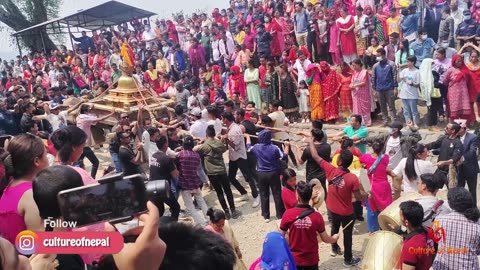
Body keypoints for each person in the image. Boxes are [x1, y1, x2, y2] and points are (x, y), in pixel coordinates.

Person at [306, 140, 366, 267]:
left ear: (338, 162)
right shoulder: (353, 178)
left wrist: (310, 142)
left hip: (332, 208)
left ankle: (334, 248)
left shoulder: (330, 170)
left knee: (334, 228)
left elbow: (315, 156)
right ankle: (348, 259)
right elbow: (358, 197)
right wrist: (367, 195)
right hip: (347, 212)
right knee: (347, 235)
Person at [280, 181, 340, 269]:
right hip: (311, 260)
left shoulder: (288, 214)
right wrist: (334, 239)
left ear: (297, 196)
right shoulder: (317, 216)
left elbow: (280, 238)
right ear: (310, 197)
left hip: (294, 259)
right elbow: (325, 238)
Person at [0, 134, 47, 244]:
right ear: (37, 161)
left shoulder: (10, 184)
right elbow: (39, 247)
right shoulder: (31, 195)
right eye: (45, 154)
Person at [194, 125, 240, 220]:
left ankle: (226, 211)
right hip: (222, 170)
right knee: (228, 191)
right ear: (214, 134)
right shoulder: (219, 144)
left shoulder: (204, 146)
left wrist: (202, 142)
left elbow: (195, 150)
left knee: (219, 192)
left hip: (211, 173)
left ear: (206, 134)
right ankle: (233, 210)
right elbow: (224, 149)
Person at [432, 187, 480, 269]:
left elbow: (436, 240)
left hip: (442, 266)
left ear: (450, 203)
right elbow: (477, 250)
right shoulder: (477, 223)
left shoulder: (439, 220)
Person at [246, 129, 288, 222]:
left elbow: (248, 148)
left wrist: (247, 137)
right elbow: (284, 157)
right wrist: (287, 146)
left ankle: (266, 216)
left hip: (261, 174)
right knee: (277, 193)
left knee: (264, 194)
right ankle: (280, 214)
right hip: (273, 173)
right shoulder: (274, 148)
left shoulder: (257, 147)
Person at [221, 111, 259, 207]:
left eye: (222, 118)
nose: (222, 120)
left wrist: (227, 140)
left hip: (240, 157)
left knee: (248, 177)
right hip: (233, 157)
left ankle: (256, 196)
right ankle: (244, 193)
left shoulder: (235, 130)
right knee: (231, 177)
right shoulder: (230, 128)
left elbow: (236, 147)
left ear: (225, 119)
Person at [359, 139, 393, 233]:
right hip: (383, 186)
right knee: (384, 208)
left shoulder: (366, 157)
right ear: (382, 148)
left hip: (371, 186)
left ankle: (372, 231)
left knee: (371, 210)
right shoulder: (385, 157)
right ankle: (384, 227)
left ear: (372, 148)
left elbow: (361, 162)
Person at [177, 135, 209, 226]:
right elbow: (199, 169)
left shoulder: (180, 155)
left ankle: (202, 224)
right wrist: (205, 180)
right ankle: (209, 219)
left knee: (190, 207)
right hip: (195, 182)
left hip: (185, 184)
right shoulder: (196, 155)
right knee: (201, 202)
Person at [75, 104, 114, 178]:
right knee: (96, 162)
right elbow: (100, 119)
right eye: (89, 110)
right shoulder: (86, 119)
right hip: (84, 146)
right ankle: (92, 178)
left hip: (79, 144)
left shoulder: (79, 117)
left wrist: (90, 109)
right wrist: (111, 114)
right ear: (86, 111)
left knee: (79, 161)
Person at [149, 135, 181, 221]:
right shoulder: (166, 159)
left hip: (152, 187)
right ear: (166, 144)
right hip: (162, 188)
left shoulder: (154, 156)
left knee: (159, 211)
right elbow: (175, 175)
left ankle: (156, 228)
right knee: (176, 207)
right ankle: (172, 228)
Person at [398, 200, 434, 270]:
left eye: (400, 216)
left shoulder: (411, 246)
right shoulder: (428, 231)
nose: (399, 219)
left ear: (406, 222)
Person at [297, 128, 331, 197]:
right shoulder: (328, 146)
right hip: (323, 174)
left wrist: (298, 150)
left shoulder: (308, 149)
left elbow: (301, 161)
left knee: (310, 194)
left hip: (311, 175)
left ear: (313, 138)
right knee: (324, 193)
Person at [372, 48, 398, 125]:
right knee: (382, 106)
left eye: (379, 55)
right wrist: (374, 89)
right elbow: (373, 77)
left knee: (391, 105)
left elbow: (394, 76)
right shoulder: (375, 66)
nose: (377, 57)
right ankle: (385, 120)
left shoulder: (391, 64)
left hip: (389, 88)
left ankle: (394, 120)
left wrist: (395, 87)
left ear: (383, 55)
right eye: (377, 56)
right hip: (379, 89)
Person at [455, 119, 479, 202]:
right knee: (459, 191)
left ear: (462, 129)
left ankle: (473, 210)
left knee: (472, 191)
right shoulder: (454, 137)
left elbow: (472, 152)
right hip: (459, 170)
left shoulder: (473, 137)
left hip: (470, 169)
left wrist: (461, 159)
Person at [443, 54, 472, 122]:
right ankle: (454, 123)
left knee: (464, 106)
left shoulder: (465, 70)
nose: (459, 62)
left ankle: (463, 124)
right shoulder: (450, 70)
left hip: (463, 92)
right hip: (453, 92)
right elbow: (445, 81)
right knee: (454, 107)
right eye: (457, 61)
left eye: (460, 61)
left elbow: (468, 80)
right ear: (454, 61)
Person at [399, 56, 421, 128]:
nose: (407, 63)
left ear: (413, 62)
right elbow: (398, 80)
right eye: (406, 61)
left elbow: (418, 84)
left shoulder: (417, 72)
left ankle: (416, 123)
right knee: (406, 110)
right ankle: (408, 122)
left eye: (408, 62)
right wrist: (397, 72)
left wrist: (412, 84)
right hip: (404, 93)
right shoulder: (404, 71)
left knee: (413, 110)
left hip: (413, 94)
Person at [350, 59, 372, 126]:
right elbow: (352, 82)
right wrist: (351, 85)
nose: (354, 67)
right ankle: (358, 122)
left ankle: (367, 122)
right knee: (357, 108)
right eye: (353, 66)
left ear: (359, 64)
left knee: (365, 108)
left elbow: (364, 82)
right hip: (356, 93)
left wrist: (355, 85)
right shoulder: (354, 73)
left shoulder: (364, 72)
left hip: (363, 93)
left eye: (355, 65)